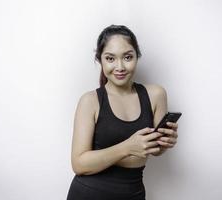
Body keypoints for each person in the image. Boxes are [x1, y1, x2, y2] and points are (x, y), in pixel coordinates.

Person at [66, 24, 179, 200]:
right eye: (110, 59)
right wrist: (127, 147)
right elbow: (79, 164)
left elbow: (154, 150)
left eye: (127, 57)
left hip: (133, 194)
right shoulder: (90, 101)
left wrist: (164, 143)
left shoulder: (156, 94)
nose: (120, 66)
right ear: (100, 60)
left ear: (137, 57)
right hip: (89, 194)